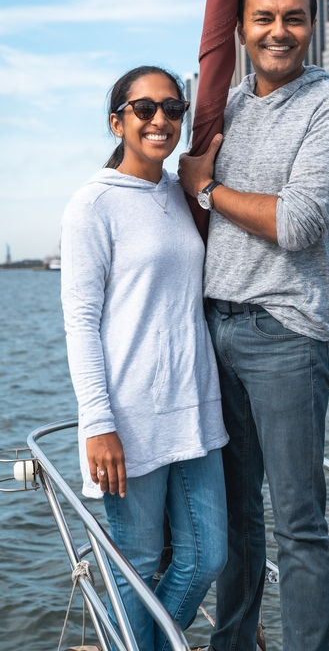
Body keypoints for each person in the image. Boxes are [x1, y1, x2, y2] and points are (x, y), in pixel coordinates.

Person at [178, 0, 329, 651]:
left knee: (298, 523)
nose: (278, 31)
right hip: (213, 328)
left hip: (285, 333)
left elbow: (299, 224)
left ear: (312, 27)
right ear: (240, 28)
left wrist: (208, 191)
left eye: (293, 18)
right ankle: (232, 645)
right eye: (263, 18)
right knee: (233, 517)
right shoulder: (221, 110)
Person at [61, 66, 229, 651]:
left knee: (208, 556)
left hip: (195, 410)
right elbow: (80, 322)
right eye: (144, 109)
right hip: (129, 417)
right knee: (133, 564)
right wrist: (97, 423)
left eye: (173, 108)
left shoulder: (178, 194)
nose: (161, 119)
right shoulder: (93, 203)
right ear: (118, 122)